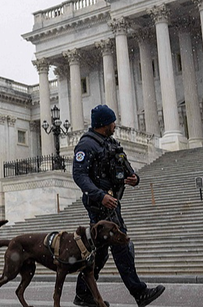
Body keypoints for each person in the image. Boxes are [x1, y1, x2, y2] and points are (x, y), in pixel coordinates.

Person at [71, 105, 165, 307]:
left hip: (112, 202)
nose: (115, 125)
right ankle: (139, 293)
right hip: (99, 205)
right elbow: (79, 175)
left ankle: (83, 293)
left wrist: (134, 179)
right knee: (122, 245)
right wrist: (100, 195)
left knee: (101, 252)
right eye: (113, 121)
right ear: (104, 124)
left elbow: (126, 169)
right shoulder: (86, 145)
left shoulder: (110, 143)